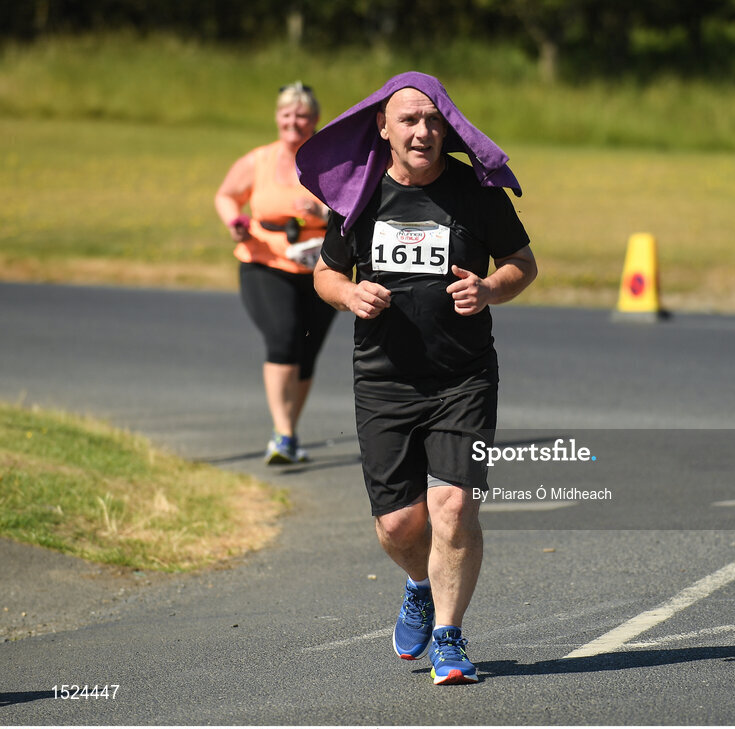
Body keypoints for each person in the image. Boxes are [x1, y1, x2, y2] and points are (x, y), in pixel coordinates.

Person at [297, 72, 537, 684]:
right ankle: (418, 584)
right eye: (409, 120)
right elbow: (326, 274)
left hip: (463, 376)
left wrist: (488, 288)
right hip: (385, 380)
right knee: (400, 525)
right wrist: (351, 295)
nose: (423, 131)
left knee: (453, 509)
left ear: (446, 127)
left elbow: (522, 264)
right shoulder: (362, 194)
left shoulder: (476, 192)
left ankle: (450, 639)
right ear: (385, 128)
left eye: (433, 120)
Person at [214, 82, 337, 465]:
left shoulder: (333, 163)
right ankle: (282, 435)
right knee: (283, 336)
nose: (294, 122)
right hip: (263, 260)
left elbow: (356, 211)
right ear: (277, 118)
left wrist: (324, 215)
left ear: (315, 120)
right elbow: (226, 195)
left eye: (302, 115)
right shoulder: (258, 160)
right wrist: (234, 220)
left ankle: (289, 433)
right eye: (287, 114)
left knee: (307, 351)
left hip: (320, 265)